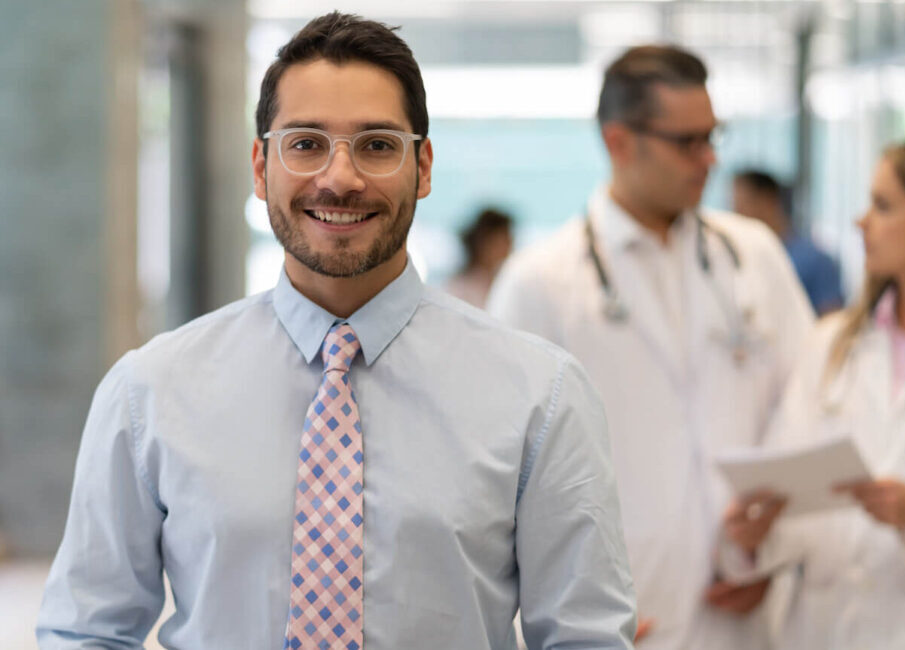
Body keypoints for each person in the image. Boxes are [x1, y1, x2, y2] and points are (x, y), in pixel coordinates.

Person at [36, 12, 636, 649]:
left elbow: (585, 637)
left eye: (377, 144)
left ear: (423, 167)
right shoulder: (148, 393)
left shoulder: (540, 397)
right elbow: (85, 631)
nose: (340, 178)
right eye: (305, 143)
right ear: (262, 166)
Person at [488, 45, 813, 649]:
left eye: (713, 136)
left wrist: (776, 546)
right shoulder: (542, 283)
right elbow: (501, 479)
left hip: (748, 607)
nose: (709, 158)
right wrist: (557, 618)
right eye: (686, 141)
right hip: (617, 622)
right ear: (619, 142)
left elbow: (808, 412)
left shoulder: (754, 257)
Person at [721, 143, 905, 649]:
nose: (861, 222)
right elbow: (790, 480)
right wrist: (757, 538)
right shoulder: (833, 344)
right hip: (821, 629)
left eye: (884, 206)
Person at [733, 169, 845, 315]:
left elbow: (832, 321)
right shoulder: (740, 259)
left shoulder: (816, 260)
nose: (735, 214)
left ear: (768, 201)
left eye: (742, 205)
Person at [445, 207, 514, 308]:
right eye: (504, 241)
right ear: (484, 243)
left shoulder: (503, 281)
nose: (509, 247)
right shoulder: (459, 288)